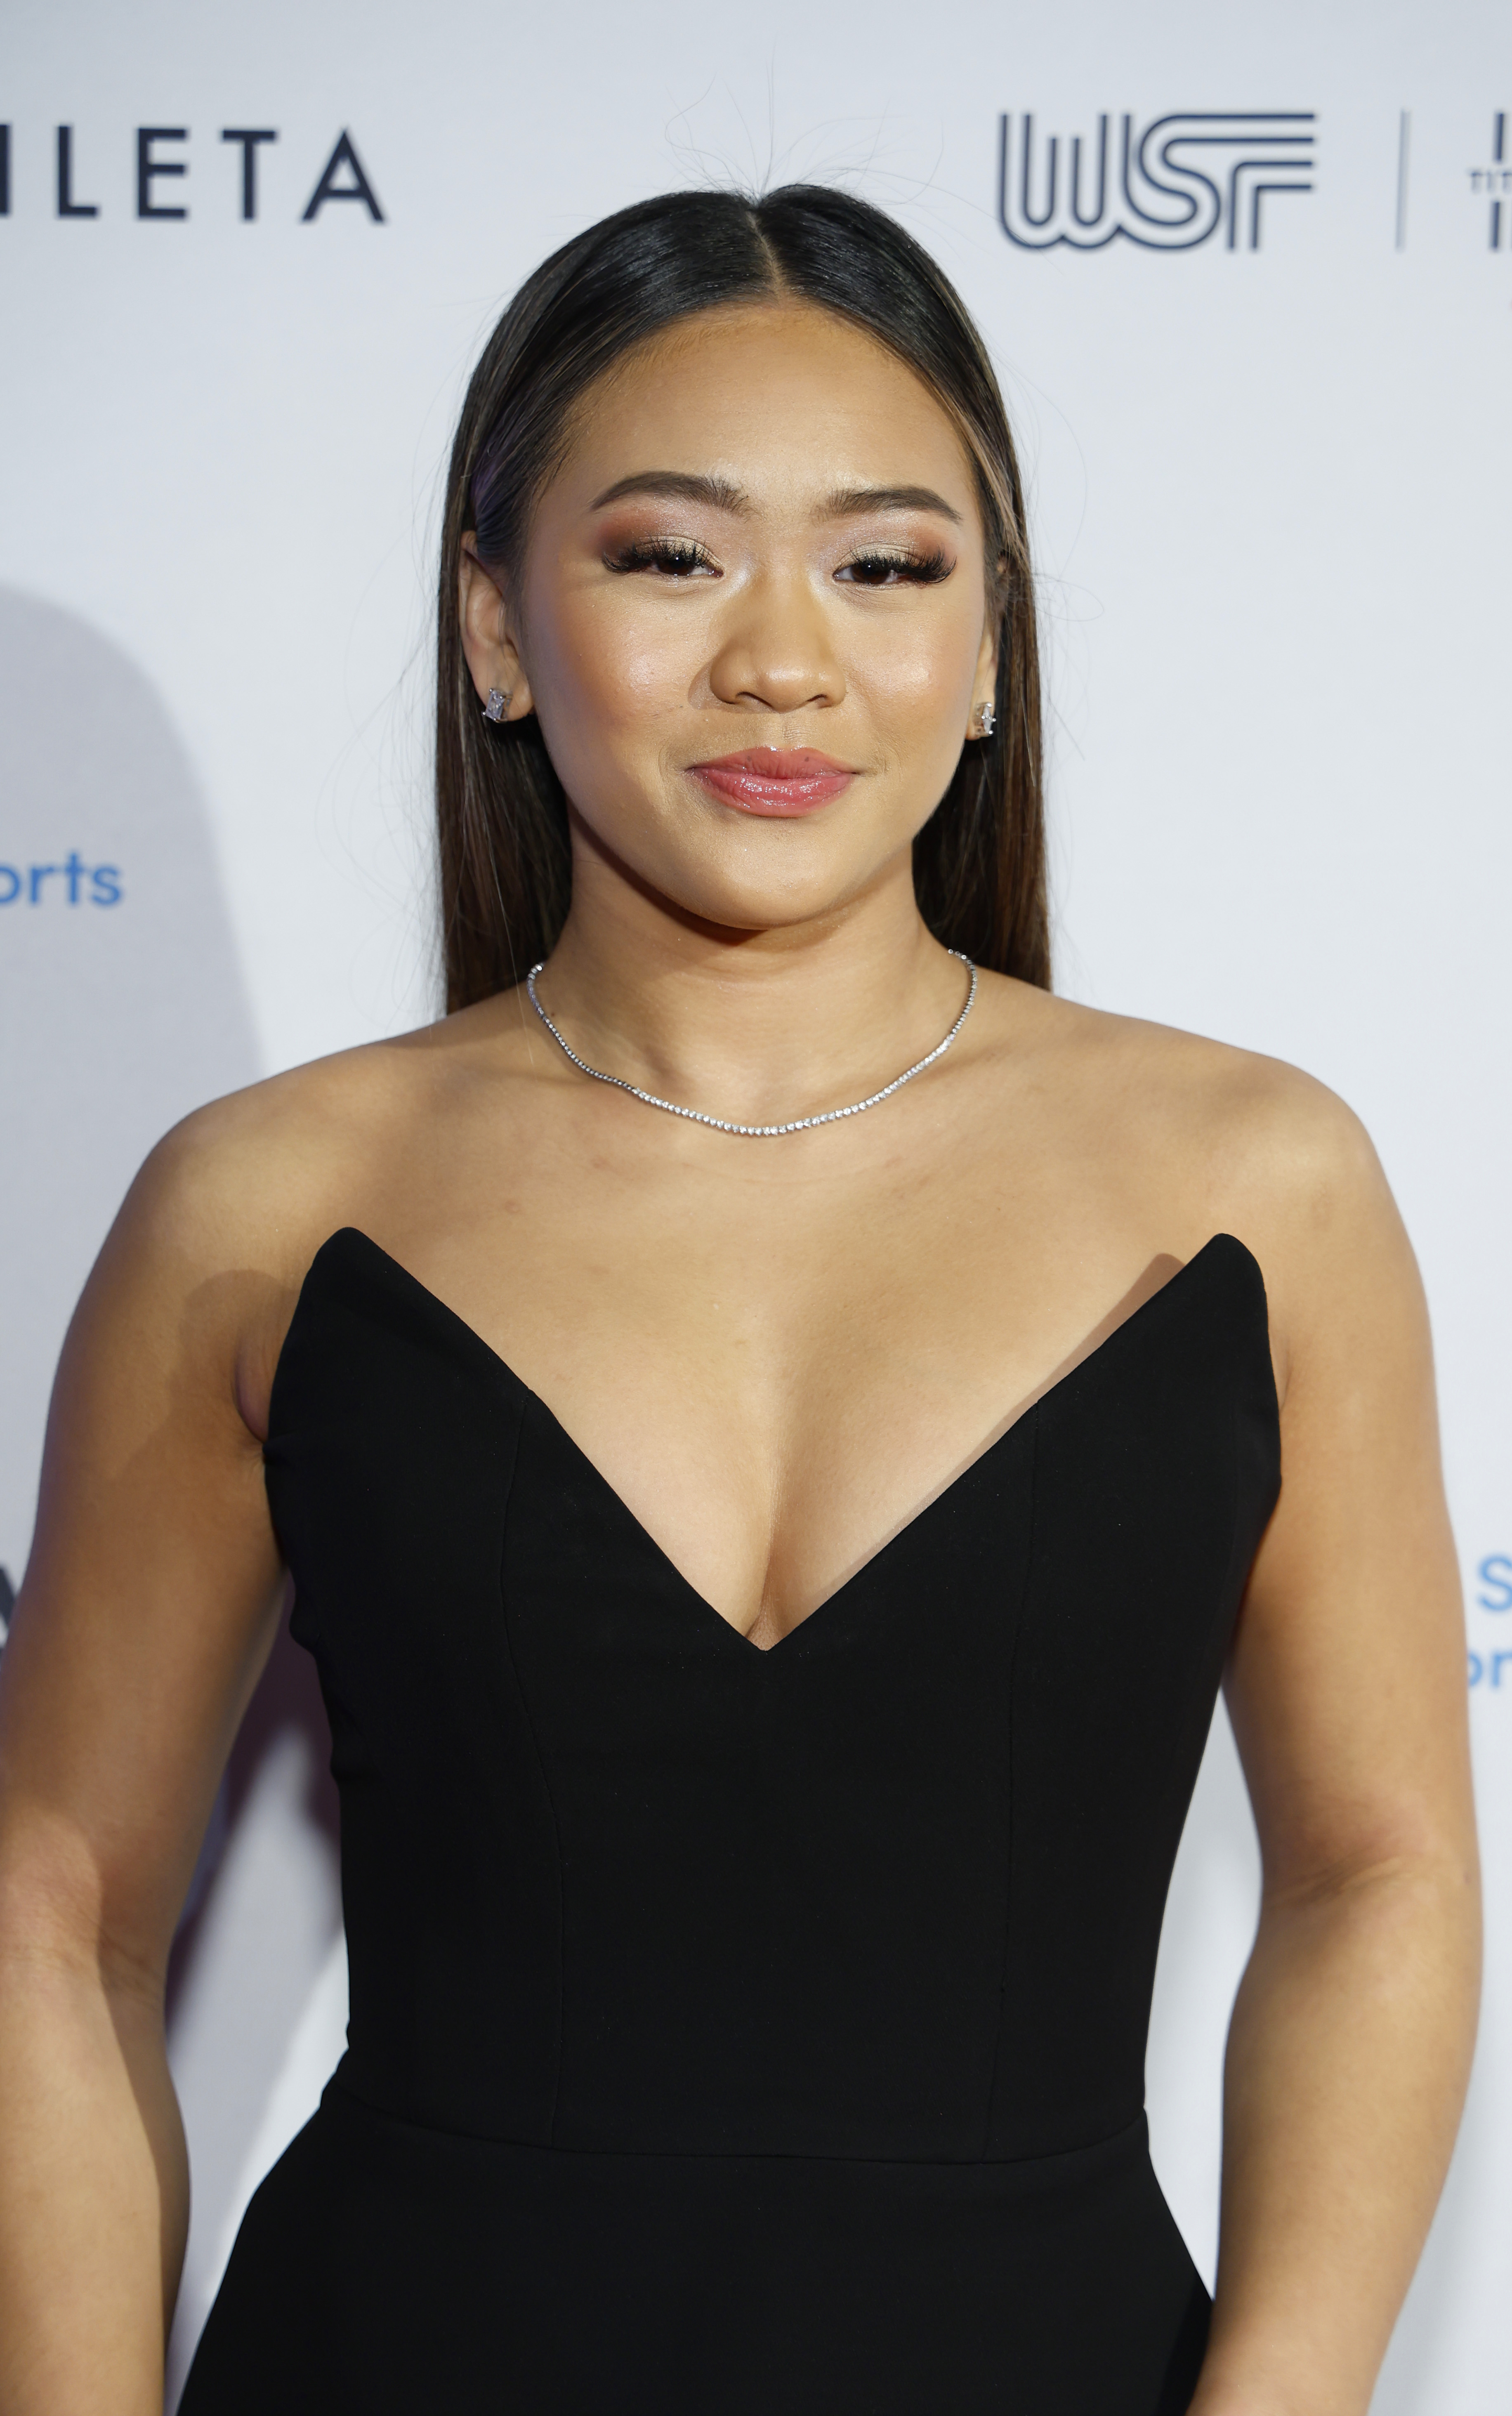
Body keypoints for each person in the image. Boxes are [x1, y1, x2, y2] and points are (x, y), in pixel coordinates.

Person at [0, 186, 1479, 2416]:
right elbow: (58, 1912)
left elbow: (1376, 1876)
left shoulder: (1251, 1184)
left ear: (988, 651)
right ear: (496, 627)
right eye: (667, 556)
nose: (780, 656)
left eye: (885, 567)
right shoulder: (271, 1205)